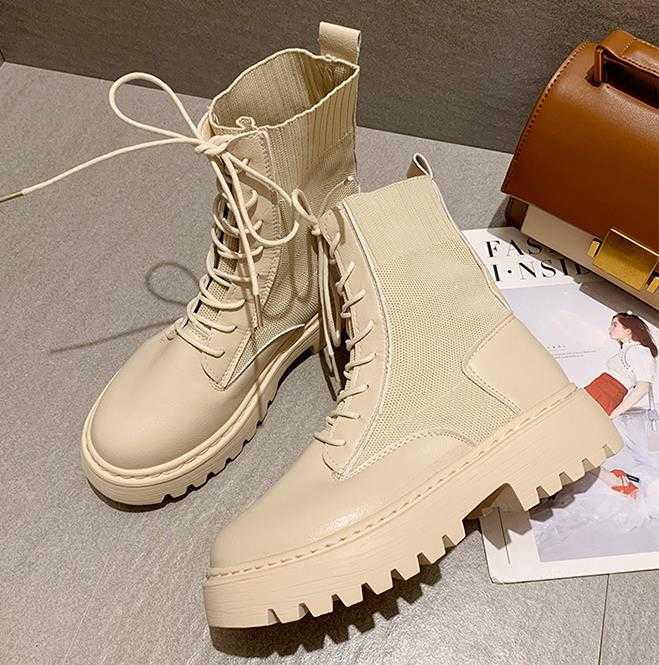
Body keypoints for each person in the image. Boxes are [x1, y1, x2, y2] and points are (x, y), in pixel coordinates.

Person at [585, 311, 657, 418]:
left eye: (615, 325)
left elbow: (643, 387)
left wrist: (614, 414)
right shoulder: (628, 348)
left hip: (605, 396)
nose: (610, 328)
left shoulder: (639, 351)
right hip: (596, 391)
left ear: (628, 330)